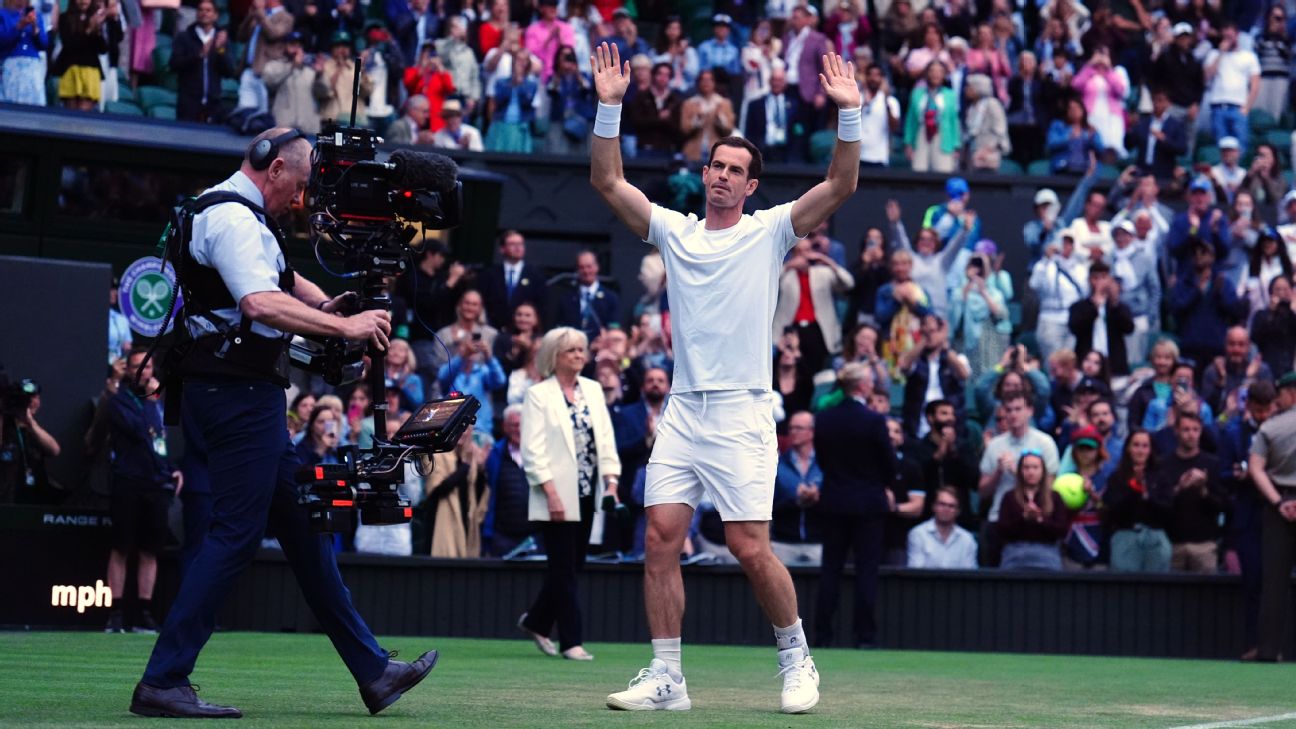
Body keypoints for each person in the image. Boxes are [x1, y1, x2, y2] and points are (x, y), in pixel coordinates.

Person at [590, 42, 863, 714]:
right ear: (705, 172)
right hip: (684, 409)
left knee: (748, 545)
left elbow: (840, 186)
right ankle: (667, 676)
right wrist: (608, 106)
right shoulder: (676, 232)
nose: (722, 176)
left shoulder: (770, 230)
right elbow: (607, 182)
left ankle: (797, 657)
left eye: (737, 171)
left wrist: (849, 115)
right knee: (659, 535)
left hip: (743, 411)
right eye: (716, 165)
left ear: (749, 186)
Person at [130, 129, 435, 719]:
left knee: (303, 528)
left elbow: (286, 286)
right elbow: (260, 304)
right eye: (297, 186)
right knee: (235, 534)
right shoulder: (236, 220)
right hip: (237, 393)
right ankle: (163, 679)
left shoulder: (237, 215)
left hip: (241, 394)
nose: (300, 199)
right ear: (272, 171)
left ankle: (373, 672)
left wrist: (329, 308)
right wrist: (345, 329)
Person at [518, 327, 621, 661]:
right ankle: (572, 641)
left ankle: (536, 621)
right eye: (571, 351)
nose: (580, 355)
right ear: (554, 356)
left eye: (582, 350)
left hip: (588, 491)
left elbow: (604, 438)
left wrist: (612, 482)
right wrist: (551, 493)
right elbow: (532, 451)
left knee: (572, 566)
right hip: (555, 492)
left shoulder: (592, 390)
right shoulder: (538, 395)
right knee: (563, 568)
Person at [812, 363, 897, 647]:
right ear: (861, 386)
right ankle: (865, 637)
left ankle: (823, 635)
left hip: (834, 500)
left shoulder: (824, 420)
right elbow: (889, 465)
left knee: (830, 569)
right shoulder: (874, 421)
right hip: (869, 504)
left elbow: (823, 461)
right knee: (866, 570)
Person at [104, 349, 181, 634]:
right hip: (128, 481)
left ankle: (144, 612)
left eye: (147, 367)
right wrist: (149, 400)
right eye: (137, 367)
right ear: (128, 371)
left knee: (151, 550)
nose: (143, 372)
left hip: (156, 484)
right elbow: (139, 430)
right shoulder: (120, 401)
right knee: (121, 546)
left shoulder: (158, 404)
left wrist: (171, 468)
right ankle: (115, 612)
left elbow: (159, 441)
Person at [978, 392, 1060, 567]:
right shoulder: (994, 445)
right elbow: (983, 491)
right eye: (1008, 410)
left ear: (1030, 411)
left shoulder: (1045, 442)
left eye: (1018, 409)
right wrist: (998, 472)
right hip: (999, 520)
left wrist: (1019, 472)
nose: (1013, 414)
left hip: (1038, 520)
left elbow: (1051, 488)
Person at [1250, 372, 1296, 661]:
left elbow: (1256, 469)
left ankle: (1268, 651)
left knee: (1275, 583)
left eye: (1280, 393)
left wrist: (1281, 502)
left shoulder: (1270, 426)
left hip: (1279, 506)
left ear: (1290, 393)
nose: (1277, 398)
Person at [1158, 411, 1224, 573]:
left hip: (1204, 545)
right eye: (1186, 430)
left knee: (1206, 597)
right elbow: (1158, 505)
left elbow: (1223, 505)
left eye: (1195, 430)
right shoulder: (1163, 464)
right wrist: (1179, 488)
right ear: (1176, 431)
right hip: (1172, 544)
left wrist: (1203, 490)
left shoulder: (1212, 463)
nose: (1191, 435)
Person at [1104, 430, 1172, 571]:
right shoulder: (1116, 477)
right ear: (1128, 448)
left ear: (1151, 449)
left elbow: (1168, 509)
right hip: (1125, 537)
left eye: (1145, 446)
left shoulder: (1161, 476)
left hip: (1155, 539)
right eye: (1136, 445)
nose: (1140, 450)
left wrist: (1146, 494)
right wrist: (1134, 489)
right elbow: (1113, 509)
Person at [996, 451, 1069, 570]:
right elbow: (1001, 530)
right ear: (1020, 470)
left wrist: (1040, 519)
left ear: (1042, 470)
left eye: (1035, 467)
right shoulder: (1009, 497)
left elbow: (1062, 530)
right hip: (1015, 551)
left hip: (1047, 551)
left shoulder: (1055, 497)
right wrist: (1023, 518)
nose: (1031, 472)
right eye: (1026, 467)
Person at [771, 411, 824, 566]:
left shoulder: (826, 463)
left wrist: (818, 498)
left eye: (799, 428)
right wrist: (796, 500)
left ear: (812, 432)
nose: (793, 432)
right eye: (791, 428)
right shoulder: (778, 464)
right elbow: (770, 502)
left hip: (819, 541)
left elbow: (837, 498)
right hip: (784, 542)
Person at [170, 0, 235, 124]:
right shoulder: (184, 37)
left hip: (213, 103)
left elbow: (229, 71)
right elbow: (174, 65)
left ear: (216, 15)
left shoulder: (221, 39)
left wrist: (220, 50)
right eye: (201, 10)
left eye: (208, 10)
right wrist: (198, 55)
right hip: (188, 102)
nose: (204, 13)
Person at [1068, 261, 1135, 378]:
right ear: (1089, 280)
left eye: (1103, 278)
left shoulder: (1118, 306)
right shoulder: (1079, 306)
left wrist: (1114, 304)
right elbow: (1075, 328)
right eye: (1095, 278)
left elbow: (1129, 328)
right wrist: (1094, 308)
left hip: (1114, 363)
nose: (1099, 282)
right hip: (1086, 362)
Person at [483, 404, 534, 557]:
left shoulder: (540, 454)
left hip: (534, 536)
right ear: (505, 427)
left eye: (522, 425)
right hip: (502, 538)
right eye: (514, 425)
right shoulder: (494, 456)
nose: (518, 429)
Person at [1203, 22, 1260, 155]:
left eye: (1230, 34)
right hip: (1218, 106)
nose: (1228, 37)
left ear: (1237, 34)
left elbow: (1255, 84)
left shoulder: (1249, 56)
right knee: (1220, 146)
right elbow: (1207, 76)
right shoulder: (1213, 54)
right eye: (1225, 35)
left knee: (1241, 145)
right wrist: (1221, 53)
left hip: (1238, 107)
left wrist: (1247, 107)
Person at [903, 61, 960, 173]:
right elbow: (911, 120)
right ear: (926, 74)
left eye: (939, 71)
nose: (935, 74)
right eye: (932, 71)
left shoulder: (950, 95)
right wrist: (908, 142)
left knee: (943, 172)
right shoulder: (917, 93)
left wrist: (956, 145)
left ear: (944, 75)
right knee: (918, 171)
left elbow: (954, 120)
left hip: (943, 135)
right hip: (921, 134)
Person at [552, 250, 619, 344]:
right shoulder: (566, 299)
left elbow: (614, 327)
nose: (586, 271)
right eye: (581, 267)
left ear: (597, 267)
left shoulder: (610, 298)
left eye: (589, 266)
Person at [55, 0, 108, 111]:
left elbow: (103, 49)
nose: (83, 1)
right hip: (70, 69)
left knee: (85, 115)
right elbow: (69, 45)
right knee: (71, 113)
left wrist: (97, 30)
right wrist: (88, 30)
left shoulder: (96, 18)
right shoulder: (65, 18)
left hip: (90, 71)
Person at [906, 486, 977, 568]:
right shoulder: (918, 534)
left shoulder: (967, 540)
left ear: (958, 511)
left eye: (951, 506)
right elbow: (915, 572)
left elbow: (969, 576)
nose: (946, 509)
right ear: (933, 507)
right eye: (942, 504)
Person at [1131, 88, 1188, 181]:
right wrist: (1131, 129)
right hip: (1143, 172)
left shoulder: (1175, 125)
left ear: (1168, 103)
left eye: (1160, 101)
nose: (1156, 104)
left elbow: (1182, 149)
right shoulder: (1143, 123)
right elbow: (1130, 144)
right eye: (1154, 100)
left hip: (1164, 174)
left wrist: (1165, 140)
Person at [0, 0, 50, 106]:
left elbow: (44, 44)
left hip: (33, 69)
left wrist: (35, 27)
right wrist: (19, 27)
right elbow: (2, 41)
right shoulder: (2, 15)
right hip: (10, 67)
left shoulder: (36, 15)